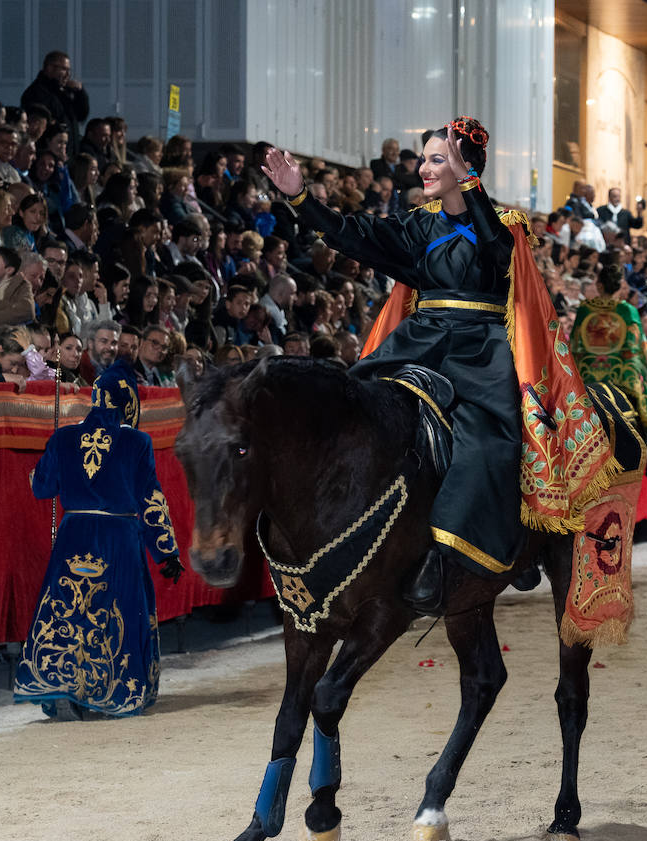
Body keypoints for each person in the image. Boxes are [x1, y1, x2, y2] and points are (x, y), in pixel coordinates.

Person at [260, 117, 613, 611]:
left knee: (494, 439)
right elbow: (352, 234)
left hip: (479, 349)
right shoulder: (416, 224)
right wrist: (301, 198)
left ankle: (486, 550)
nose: (423, 168)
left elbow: (493, 258)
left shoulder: (506, 226)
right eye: (424, 158)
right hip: (418, 341)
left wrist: (471, 188)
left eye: (436, 159)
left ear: (467, 168)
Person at [14, 358, 181, 718]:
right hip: (119, 536)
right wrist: (166, 551)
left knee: (67, 609)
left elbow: (42, 489)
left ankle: (61, 683)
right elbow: (150, 499)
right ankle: (110, 688)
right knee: (115, 611)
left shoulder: (63, 437)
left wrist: (40, 469)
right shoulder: (138, 441)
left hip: (75, 533)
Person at [568, 263, 647, 479]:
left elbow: (576, 343)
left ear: (598, 284)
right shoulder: (627, 310)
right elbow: (638, 345)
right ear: (619, 286)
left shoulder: (585, 309)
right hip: (620, 372)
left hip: (588, 370)